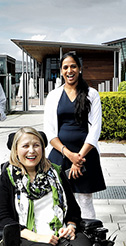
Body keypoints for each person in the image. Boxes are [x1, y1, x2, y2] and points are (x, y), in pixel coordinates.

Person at [0, 127, 91, 246]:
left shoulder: (56, 173)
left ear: (42, 149)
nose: (32, 151)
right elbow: (3, 218)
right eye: (25, 146)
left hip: (60, 234)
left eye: (36, 145)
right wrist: (37, 237)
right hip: (27, 236)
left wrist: (70, 226)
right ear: (16, 150)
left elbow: (73, 210)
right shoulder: (7, 177)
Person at [44, 52, 106, 219]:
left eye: (73, 66)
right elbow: (49, 132)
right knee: (58, 200)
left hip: (85, 155)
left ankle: (88, 238)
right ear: (61, 71)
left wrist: (79, 158)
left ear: (79, 69)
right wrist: (70, 156)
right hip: (60, 154)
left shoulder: (92, 94)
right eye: (65, 67)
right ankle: (63, 238)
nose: (69, 70)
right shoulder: (53, 96)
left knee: (85, 200)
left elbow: (95, 131)